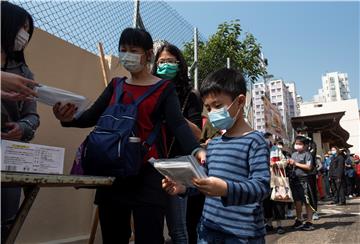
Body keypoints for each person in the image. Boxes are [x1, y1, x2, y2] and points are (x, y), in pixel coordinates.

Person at [53, 28, 205, 244]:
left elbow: (179, 125)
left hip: (149, 175)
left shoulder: (164, 89)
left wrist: (197, 150)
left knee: (150, 237)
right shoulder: (115, 85)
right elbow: (89, 117)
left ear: (149, 54)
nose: (127, 55)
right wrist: (66, 118)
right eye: (123, 50)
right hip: (113, 172)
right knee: (114, 237)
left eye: (133, 50)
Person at [162, 68, 270, 243]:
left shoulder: (255, 141)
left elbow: (261, 188)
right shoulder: (214, 144)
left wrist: (226, 189)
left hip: (243, 234)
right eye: (208, 108)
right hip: (208, 229)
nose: (212, 112)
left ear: (240, 101)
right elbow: (203, 181)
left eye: (218, 106)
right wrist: (182, 188)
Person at [152, 43, 203, 244]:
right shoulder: (151, 90)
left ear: (180, 65)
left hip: (177, 164)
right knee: (152, 223)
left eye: (171, 62)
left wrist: (174, 116)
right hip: (152, 162)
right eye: (162, 62)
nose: (166, 65)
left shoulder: (191, 95)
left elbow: (198, 132)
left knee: (178, 229)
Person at [1, 2, 40, 241]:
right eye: (21, 27)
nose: (24, 34)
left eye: (28, 30)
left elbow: (33, 115)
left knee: (6, 223)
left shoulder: (25, 73)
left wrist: (23, 127)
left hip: (9, 157)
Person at [288, 136, 316, 231]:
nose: (297, 145)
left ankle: (309, 221)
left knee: (307, 201)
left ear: (305, 145)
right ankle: (299, 219)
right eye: (296, 143)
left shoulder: (307, 155)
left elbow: (309, 167)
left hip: (304, 180)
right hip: (295, 180)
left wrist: (295, 163)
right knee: (297, 201)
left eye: (300, 144)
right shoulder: (293, 154)